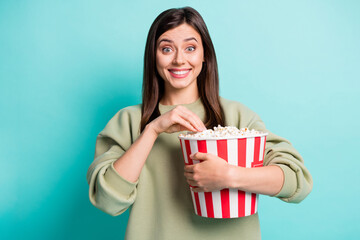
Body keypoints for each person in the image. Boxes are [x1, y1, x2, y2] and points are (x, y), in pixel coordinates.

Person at [86, 7, 313, 240]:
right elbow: (107, 201)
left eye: (190, 48)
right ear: (153, 57)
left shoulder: (237, 117)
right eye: (166, 49)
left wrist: (229, 176)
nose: (179, 59)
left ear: (205, 55)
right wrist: (152, 130)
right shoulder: (129, 121)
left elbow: (297, 181)